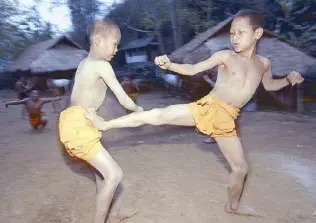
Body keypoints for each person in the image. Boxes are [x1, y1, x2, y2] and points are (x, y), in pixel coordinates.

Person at [85, 10, 304, 217]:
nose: (234, 38)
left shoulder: (264, 64)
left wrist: (287, 79)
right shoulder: (226, 56)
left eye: (240, 33)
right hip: (208, 107)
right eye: (232, 33)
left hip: (227, 119)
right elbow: (193, 69)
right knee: (161, 115)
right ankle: (107, 124)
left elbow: (270, 85)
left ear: (257, 33)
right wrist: (170, 65)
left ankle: (233, 206)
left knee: (240, 168)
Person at [57, 19, 143, 223]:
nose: (116, 49)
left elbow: (80, 96)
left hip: (74, 123)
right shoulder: (102, 66)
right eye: (114, 44)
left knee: (101, 175)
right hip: (79, 126)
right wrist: (139, 110)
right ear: (98, 40)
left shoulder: (83, 64)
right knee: (114, 175)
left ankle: (113, 215)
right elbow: (124, 99)